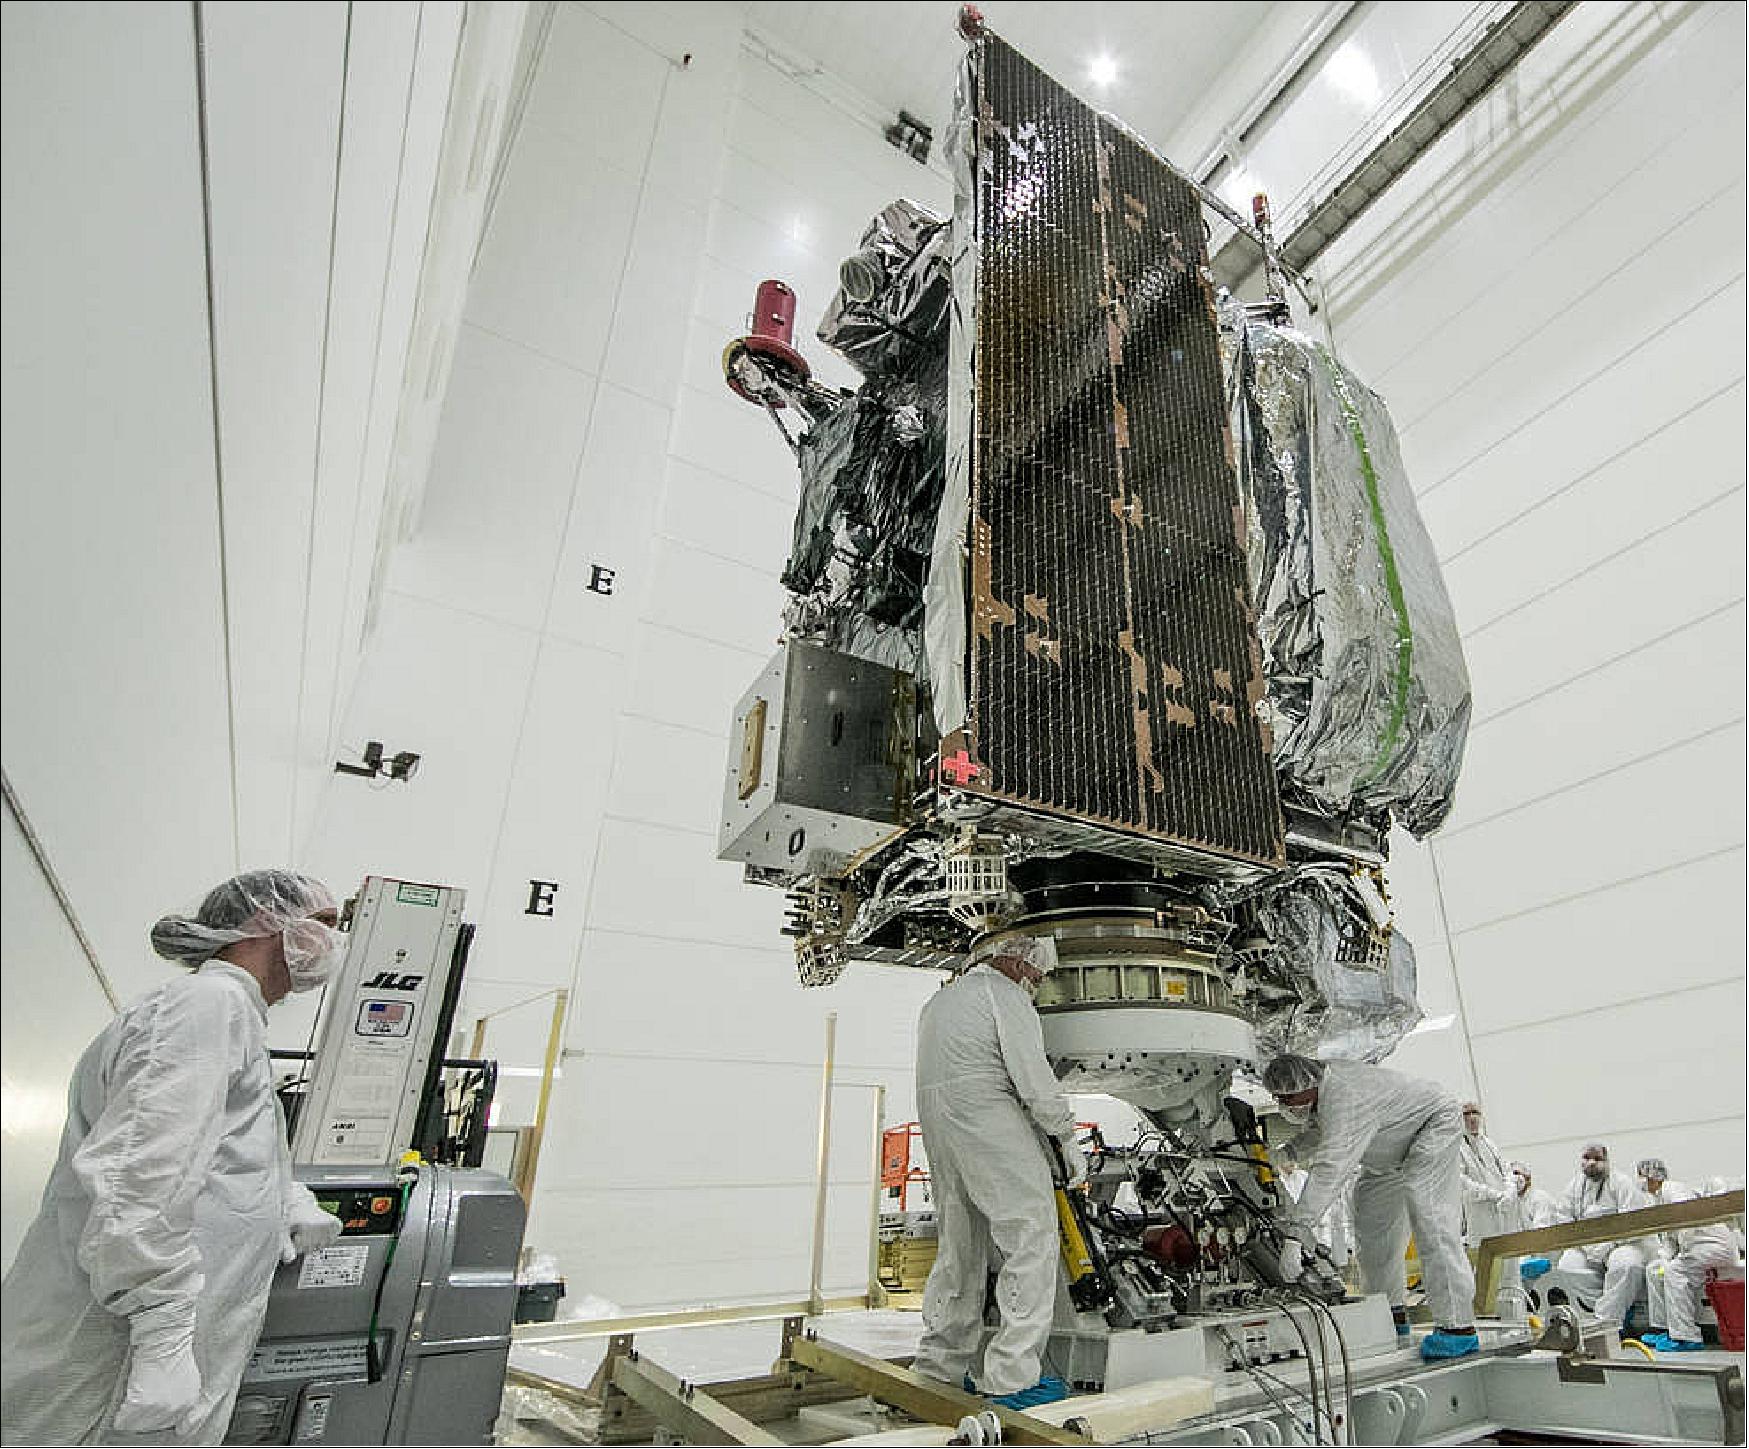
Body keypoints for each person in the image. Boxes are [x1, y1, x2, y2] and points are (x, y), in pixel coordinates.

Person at [1, 870, 349, 1445]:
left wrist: (286, 1200)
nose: (332, 945)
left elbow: (217, 1149)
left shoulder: (231, 1017)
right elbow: (138, 1174)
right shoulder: (204, 1006)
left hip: (161, 1354)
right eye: (324, 926)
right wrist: (162, 1336)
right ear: (267, 922)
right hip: (114, 1358)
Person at [912, 932, 1085, 1411]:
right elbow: (1033, 1078)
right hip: (986, 1115)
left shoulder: (938, 1004)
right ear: (1014, 962)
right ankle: (1011, 1376)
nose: (1035, 982)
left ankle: (939, 1368)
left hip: (940, 1125)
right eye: (1034, 973)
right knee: (1031, 1235)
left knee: (960, 1246)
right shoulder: (1002, 995)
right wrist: (1064, 1136)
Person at [1261, 1054, 1480, 1361]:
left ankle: (1458, 1328)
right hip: (1389, 1148)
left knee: (1429, 1214)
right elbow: (1322, 1131)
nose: (1284, 1105)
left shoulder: (1346, 1095)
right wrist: (1289, 1152)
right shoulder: (1324, 1093)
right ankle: (1390, 1315)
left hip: (1432, 1125)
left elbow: (1330, 1168)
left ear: (1308, 1083)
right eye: (1277, 1098)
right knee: (1371, 1222)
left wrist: (1296, 1234)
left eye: (1288, 1097)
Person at [1635, 1159, 1741, 1353]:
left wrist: (1679, 1257)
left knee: (1675, 1273)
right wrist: (1664, 1258)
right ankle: (1664, 1328)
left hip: (1713, 1246)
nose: (1641, 1183)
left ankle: (1687, 1336)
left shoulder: (1672, 1190)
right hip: (1697, 1248)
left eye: (1642, 1178)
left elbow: (1685, 1223)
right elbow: (1669, 1237)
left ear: (1652, 1177)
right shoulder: (1659, 1198)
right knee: (1655, 1270)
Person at [1544, 1143, 1650, 1331]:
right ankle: (1580, 1323)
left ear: (1607, 1161)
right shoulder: (1574, 1186)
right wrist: (1586, 1244)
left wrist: (1609, 1244)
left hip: (1621, 1243)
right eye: (1587, 1158)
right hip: (1585, 1245)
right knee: (1567, 1266)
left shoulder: (1622, 1183)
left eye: (1598, 1159)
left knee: (1626, 1265)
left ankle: (1608, 1323)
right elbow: (1565, 1221)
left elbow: (1633, 1221)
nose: (1592, 1163)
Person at [1458, 1102, 1522, 1314]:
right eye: (1466, 1113)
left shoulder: (1489, 1143)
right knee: (1487, 1268)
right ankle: (1491, 1317)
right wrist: (1492, 1194)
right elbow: (1461, 1182)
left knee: (1511, 1266)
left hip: (1505, 1211)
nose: (1472, 1118)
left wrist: (1510, 1190)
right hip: (1481, 1215)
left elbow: (1507, 1170)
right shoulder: (1456, 1147)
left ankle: (1516, 1318)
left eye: (1475, 1113)